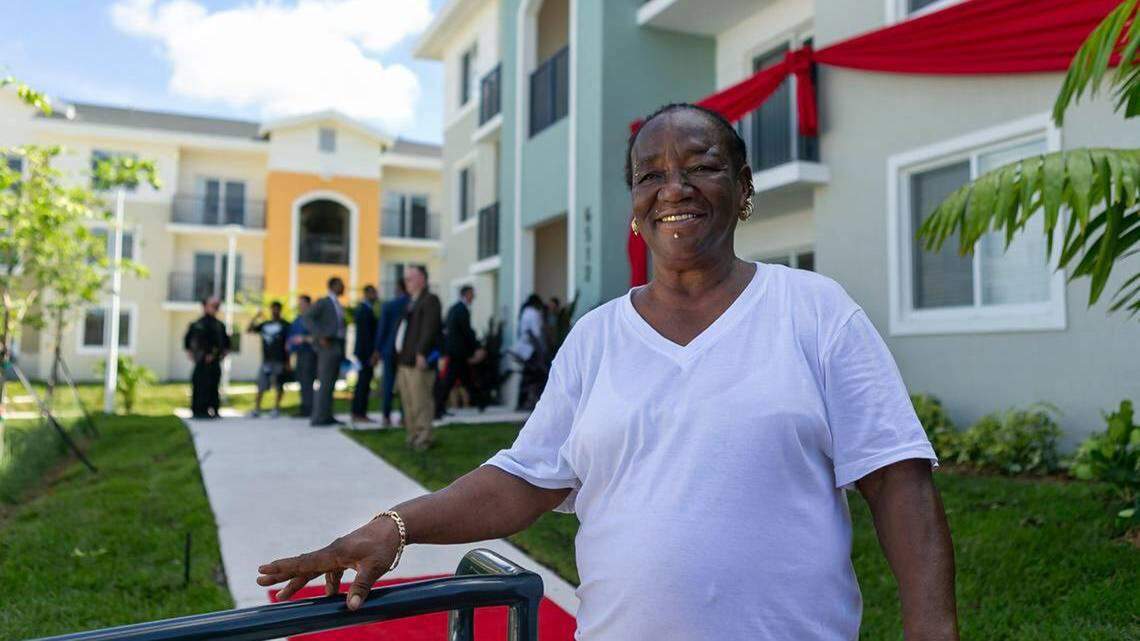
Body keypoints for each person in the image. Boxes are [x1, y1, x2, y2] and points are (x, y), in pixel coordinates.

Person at [258, 103, 957, 640]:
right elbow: (525, 478)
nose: (672, 186)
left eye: (700, 166)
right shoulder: (596, 338)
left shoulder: (814, 311)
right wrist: (393, 526)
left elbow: (898, 480)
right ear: (633, 207)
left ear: (743, 187)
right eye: (650, 174)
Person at [392, 266, 441, 450]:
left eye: (410, 279)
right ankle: (413, 434)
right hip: (404, 360)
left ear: (422, 279)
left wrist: (422, 352)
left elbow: (430, 327)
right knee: (409, 402)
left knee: (421, 401)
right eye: (406, 279)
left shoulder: (430, 300)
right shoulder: (411, 301)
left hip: (417, 360)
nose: (407, 282)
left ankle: (424, 437)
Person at [434, 285, 486, 419]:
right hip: (458, 353)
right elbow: (466, 332)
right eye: (472, 294)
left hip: (455, 352)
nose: (473, 296)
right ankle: (438, 408)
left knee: (463, 379)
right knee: (453, 380)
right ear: (466, 294)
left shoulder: (454, 308)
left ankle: (480, 403)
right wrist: (477, 347)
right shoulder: (462, 310)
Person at [304, 277, 347, 427]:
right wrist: (320, 335)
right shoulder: (324, 302)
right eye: (341, 285)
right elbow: (307, 317)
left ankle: (327, 415)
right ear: (333, 286)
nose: (344, 287)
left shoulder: (338, 304)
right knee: (325, 381)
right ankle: (318, 418)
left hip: (337, 345)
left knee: (331, 383)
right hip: (327, 345)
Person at [370, 280, 410, 428]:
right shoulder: (411, 303)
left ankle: (386, 416)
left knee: (388, 383)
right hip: (406, 351)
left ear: (399, 288)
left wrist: (377, 350)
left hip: (389, 350)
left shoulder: (389, 305)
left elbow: (382, 330)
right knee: (405, 384)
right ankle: (404, 416)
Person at [183, 296, 230, 419]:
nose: (215, 308)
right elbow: (188, 340)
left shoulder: (219, 325)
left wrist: (217, 354)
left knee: (213, 385)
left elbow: (225, 343)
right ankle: (198, 411)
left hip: (214, 362)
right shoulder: (197, 324)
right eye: (212, 305)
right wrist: (191, 352)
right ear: (204, 307)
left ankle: (214, 410)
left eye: (216, 306)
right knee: (199, 385)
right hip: (200, 361)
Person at [247, 301, 290, 418]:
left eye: (277, 309)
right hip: (266, 360)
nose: (275, 311)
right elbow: (249, 329)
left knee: (278, 385)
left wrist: (287, 361)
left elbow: (288, 345)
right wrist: (256, 317)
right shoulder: (265, 324)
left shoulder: (285, 325)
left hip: (280, 360)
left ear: (280, 310)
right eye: (273, 309)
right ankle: (257, 408)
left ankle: (276, 408)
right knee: (261, 385)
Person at [512, 294, 548, 411]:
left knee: (527, 376)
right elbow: (535, 334)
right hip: (532, 350)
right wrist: (541, 351)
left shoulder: (525, 313)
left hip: (524, 349)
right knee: (537, 376)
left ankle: (522, 402)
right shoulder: (534, 314)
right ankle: (535, 402)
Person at [351, 285, 380, 424]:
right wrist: (372, 354)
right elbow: (366, 336)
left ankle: (359, 412)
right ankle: (359, 413)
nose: (376, 296)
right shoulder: (364, 310)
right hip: (365, 353)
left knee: (363, 383)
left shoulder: (365, 309)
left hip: (364, 353)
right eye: (374, 293)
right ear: (367, 293)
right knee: (363, 384)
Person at [288, 295, 316, 419]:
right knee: (301, 380)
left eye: (302, 303)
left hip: (309, 354)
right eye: (299, 304)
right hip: (298, 354)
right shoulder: (298, 319)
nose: (300, 306)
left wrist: (303, 339)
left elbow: (317, 337)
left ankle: (309, 409)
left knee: (307, 381)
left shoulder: (312, 319)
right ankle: (304, 408)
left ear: (309, 304)